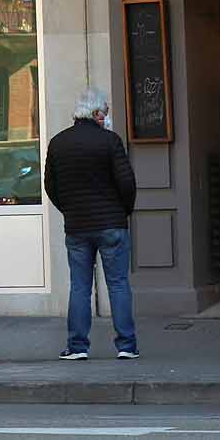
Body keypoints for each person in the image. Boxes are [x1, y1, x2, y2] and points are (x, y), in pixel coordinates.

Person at [44, 88, 138, 361]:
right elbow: (126, 182)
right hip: (111, 224)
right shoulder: (110, 141)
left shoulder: (58, 143)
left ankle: (77, 346)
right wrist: (124, 211)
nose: (106, 118)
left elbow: (51, 186)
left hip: (77, 227)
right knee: (118, 284)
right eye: (105, 114)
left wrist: (70, 210)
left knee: (80, 287)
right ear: (96, 113)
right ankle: (126, 345)